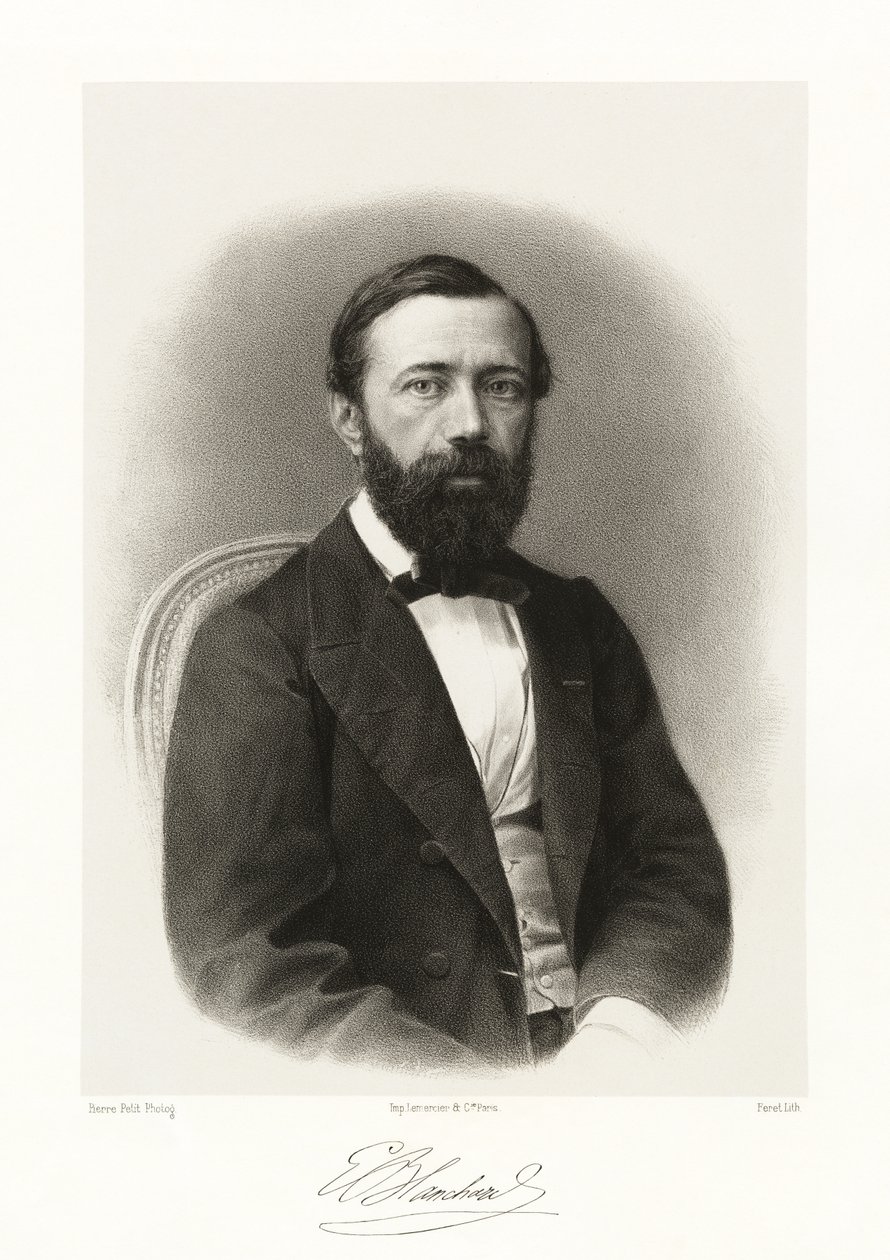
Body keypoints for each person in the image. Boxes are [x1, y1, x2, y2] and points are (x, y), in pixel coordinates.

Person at [162, 253, 732, 1075]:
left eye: (501, 386)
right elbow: (252, 965)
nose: (470, 423)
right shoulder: (257, 644)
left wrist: (619, 1034)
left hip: (604, 1055)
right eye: (425, 386)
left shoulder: (579, 621)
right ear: (350, 417)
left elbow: (673, 866)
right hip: (416, 1075)